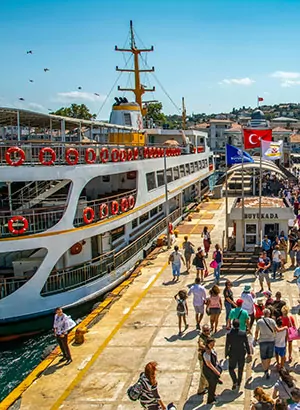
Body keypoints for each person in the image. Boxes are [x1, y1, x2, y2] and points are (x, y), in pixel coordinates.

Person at [254, 308, 286, 379]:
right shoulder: (272, 321)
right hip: (271, 340)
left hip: (262, 341)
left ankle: (265, 370)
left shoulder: (259, 321)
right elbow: (277, 330)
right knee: (269, 356)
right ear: (269, 314)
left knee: (263, 357)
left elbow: (256, 332)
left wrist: (255, 339)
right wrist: (285, 328)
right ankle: (267, 368)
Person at [225, 319, 251, 390]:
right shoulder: (243, 333)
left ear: (232, 325)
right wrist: (249, 353)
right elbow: (246, 343)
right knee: (240, 368)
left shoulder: (229, 334)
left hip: (232, 353)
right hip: (241, 352)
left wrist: (226, 353)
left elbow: (227, 345)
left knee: (231, 368)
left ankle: (234, 380)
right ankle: (239, 381)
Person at [202, 337, 222, 405]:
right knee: (212, 385)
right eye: (211, 344)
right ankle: (210, 400)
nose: (213, 345)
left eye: (213, 343)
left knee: (214, 384)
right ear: (207, 344)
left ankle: (213, 394)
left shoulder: (211, 349)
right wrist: (216, 371)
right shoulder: (206, 353)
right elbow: (209, 364)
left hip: (214, 368)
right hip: (209, 371)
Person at [197, 324, 210, 395]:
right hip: (202, 358)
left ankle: (207, 385)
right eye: (205, 331)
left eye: (207, 330)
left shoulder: (207, 336)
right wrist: (206, 348)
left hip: (207, 357)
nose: (207, 332)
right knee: (203, 374)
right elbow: (201, 344)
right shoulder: (201, 337)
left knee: (208, 371)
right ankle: (200, 390)